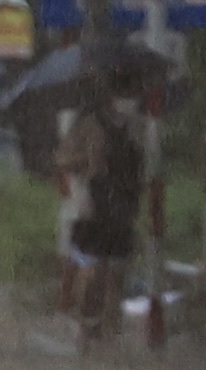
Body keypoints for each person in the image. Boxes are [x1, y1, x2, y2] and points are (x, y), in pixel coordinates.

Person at [57, 74, 144, 343]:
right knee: (93, 270)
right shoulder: (88, 125)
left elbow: (141, 165)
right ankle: (86, 322)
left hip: (122, 206)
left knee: (117, 272)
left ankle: (110, 331)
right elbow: (63, 159)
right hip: (93, 206)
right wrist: (89, 160)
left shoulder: (134, 127)